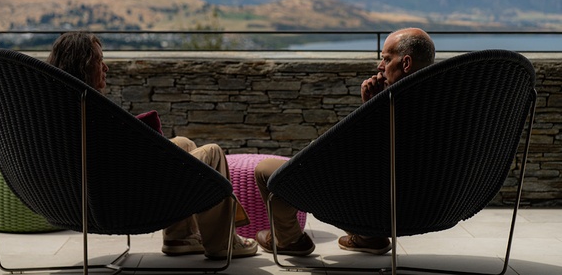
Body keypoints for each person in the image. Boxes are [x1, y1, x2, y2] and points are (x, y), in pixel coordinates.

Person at [46, 31, 258, 260]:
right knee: (212, 152)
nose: (105, 67)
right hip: (121, 203)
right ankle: (223, 244)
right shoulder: (93, 110)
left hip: (79, 199)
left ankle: (181, 237)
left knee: (183, 144)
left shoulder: (56, 111)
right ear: (83, 66)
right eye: (99, 60)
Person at [254, 27, 436, 256]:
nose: (380, 67)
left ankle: (289, 240)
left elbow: (352, 158)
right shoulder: (443, 109)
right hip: (428, 208)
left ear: (406, 63)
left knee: (266, 170)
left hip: (374, 209)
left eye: (386, 59)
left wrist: (370, 106)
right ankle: (367, 238)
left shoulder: (395, 108)